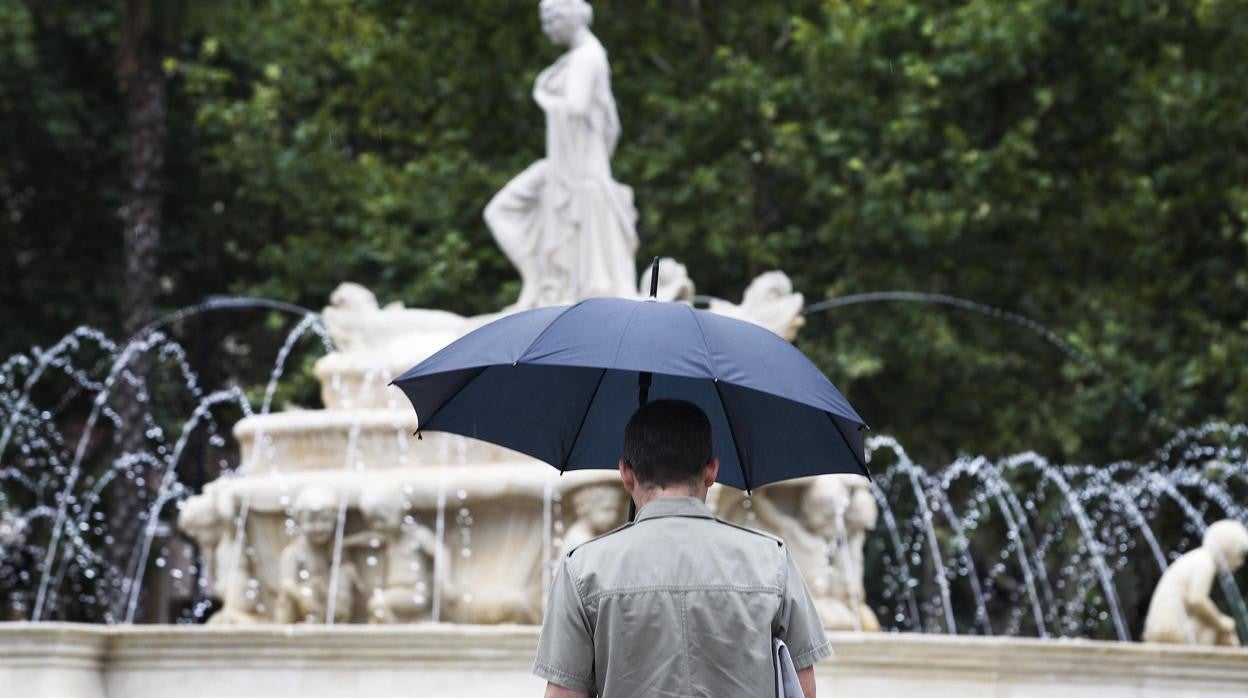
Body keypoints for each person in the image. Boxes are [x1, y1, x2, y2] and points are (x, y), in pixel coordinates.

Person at [534, 400, 831, 697]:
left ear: (625, 472)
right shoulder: (771, 560)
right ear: (711, 470)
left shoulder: (584, 569)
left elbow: (564, 694)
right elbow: (803, 689)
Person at [484, 0, 639, 309]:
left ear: (571, 15)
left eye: (552, 18)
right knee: (499, 210)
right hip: (569, 166)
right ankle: (535, 280)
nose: (546, 27)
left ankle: (542, 285)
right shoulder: (581, 57)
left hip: (579, 171)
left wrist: (542, 96)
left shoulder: (586, 57)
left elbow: (576, 108)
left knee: (500, 210)